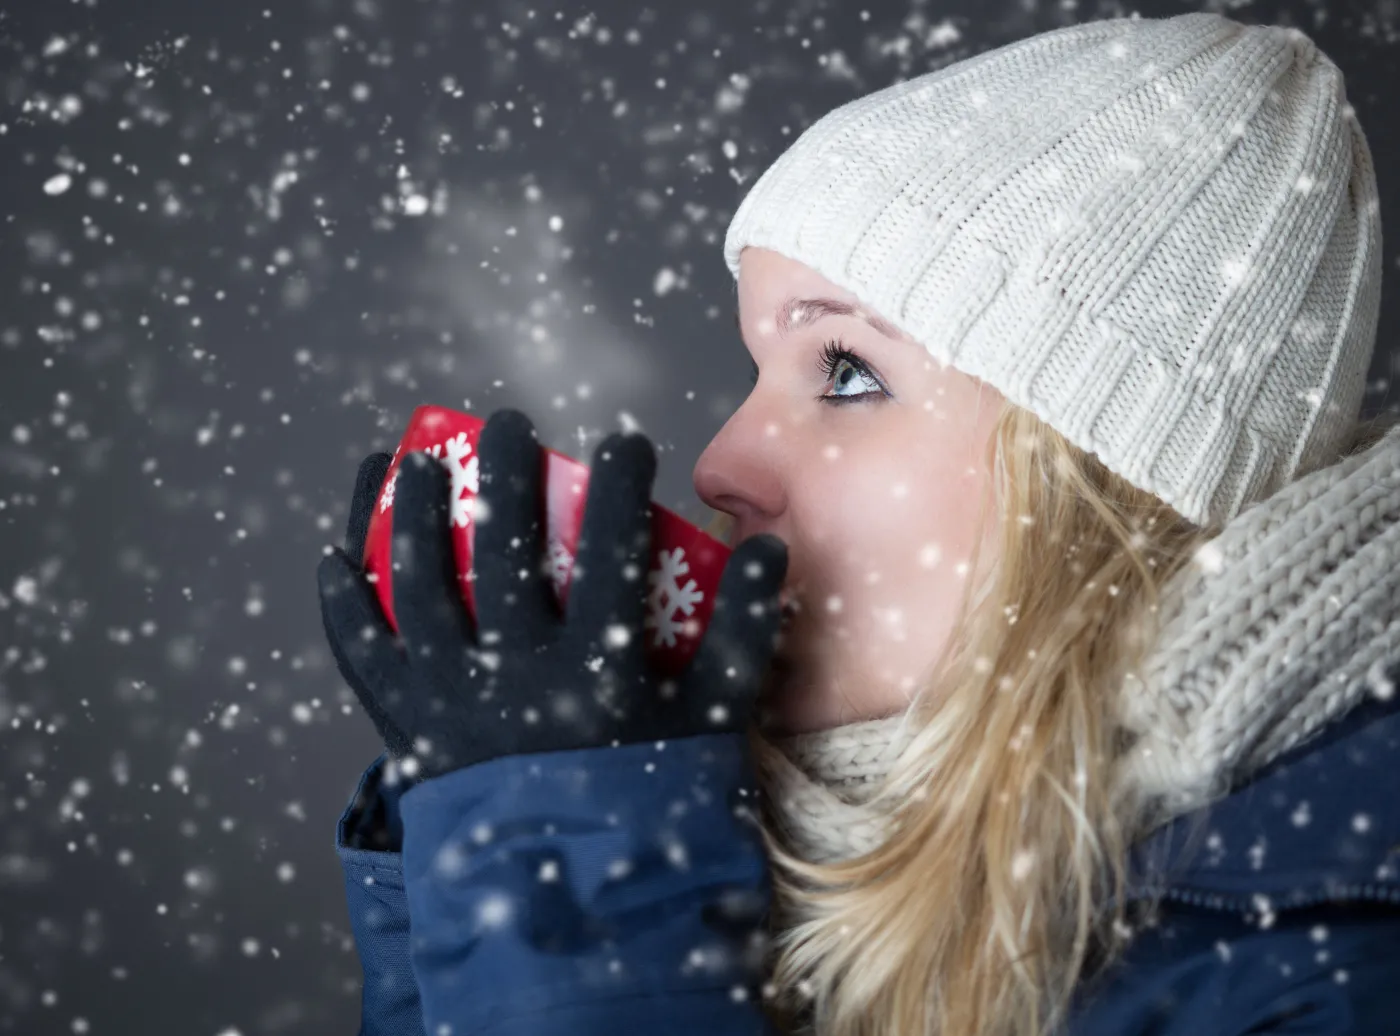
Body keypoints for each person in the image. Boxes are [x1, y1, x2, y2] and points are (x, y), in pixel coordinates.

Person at [318, 11, 1400, 1036]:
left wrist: (558, 844)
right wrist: (486, 824)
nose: (719, 464)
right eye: (758, 368)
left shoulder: (1327, 977)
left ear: (1104, 483)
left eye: (843, 372)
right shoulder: (751, 833)